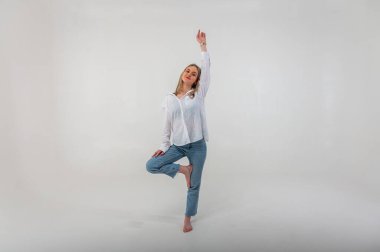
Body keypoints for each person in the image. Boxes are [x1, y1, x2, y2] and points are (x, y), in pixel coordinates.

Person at [146, 29, 210, 233]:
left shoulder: (198, 95)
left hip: (198, 147)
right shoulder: (169, 98)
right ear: (182, 74)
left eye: (194, 73)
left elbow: (207, 69)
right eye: (188, 71)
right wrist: (163, 147)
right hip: (178, 147)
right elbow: (166, 126)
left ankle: (187, 218)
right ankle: (184, 170)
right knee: (152, 165)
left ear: (197, 79)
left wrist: (203, 47)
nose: (190, 74)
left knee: (194, 185)